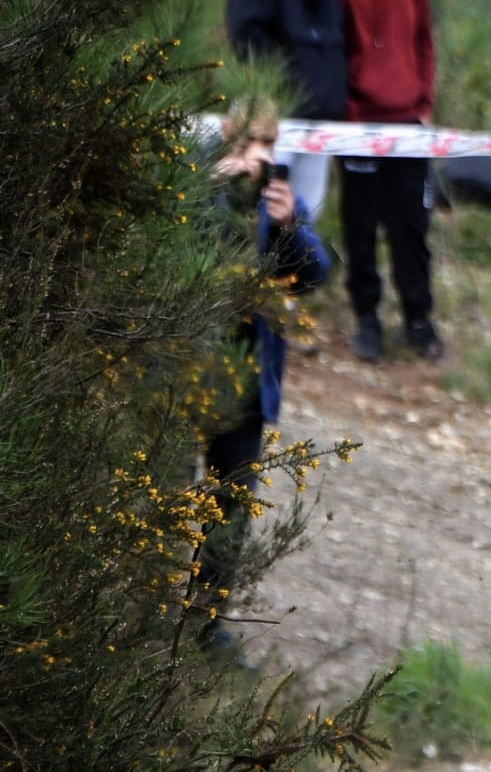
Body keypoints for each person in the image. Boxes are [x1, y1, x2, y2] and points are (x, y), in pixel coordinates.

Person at [195, 97, 331, 655]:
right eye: (253, 143)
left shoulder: (281, 203)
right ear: (228, 135)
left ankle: (205, 626)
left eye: (271, 146)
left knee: (229, 511)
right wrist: (211, 188)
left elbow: (312, 274)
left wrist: (286, 225)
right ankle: (131, 616)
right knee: (159, 495)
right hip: (186, 372)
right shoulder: (195, 187)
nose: (262, 157)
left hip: (248, 385)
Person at [340, 0, 439, 363]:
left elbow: (424, 41)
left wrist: (424, 102)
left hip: (408, 121)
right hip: (357, 123)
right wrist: (347, 110)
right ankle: (367, 318)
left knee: (412, 225)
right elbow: (338, 44)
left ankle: (418, 318)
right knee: (360, 226)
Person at [225, 0, 346, 224]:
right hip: (273, 118)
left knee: (304, 219)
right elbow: (246, 33)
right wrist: (271, 92)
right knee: (262, 214)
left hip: (321, 114)